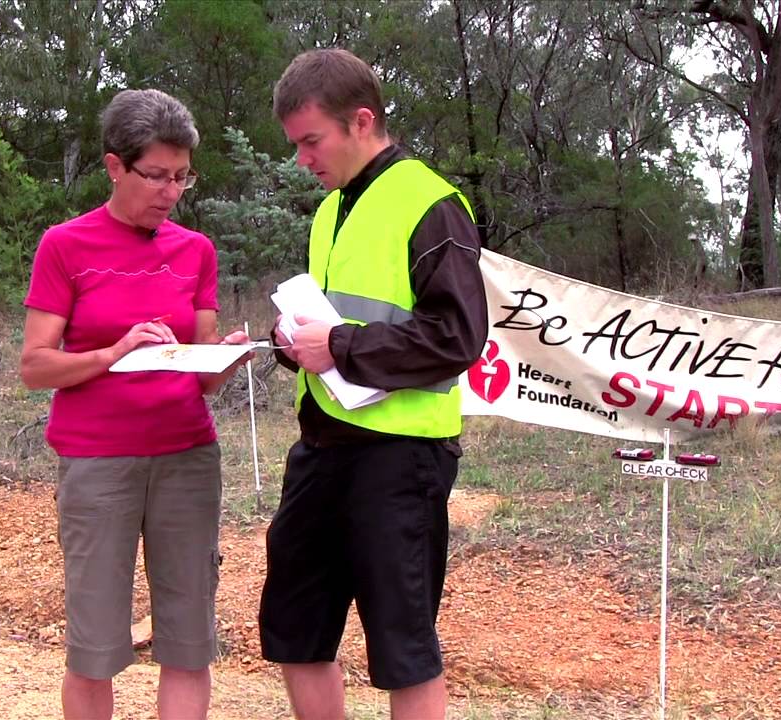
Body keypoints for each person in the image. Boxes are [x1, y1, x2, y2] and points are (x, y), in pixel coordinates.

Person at [258, 49, 488, 720]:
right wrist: (294, 341)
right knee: (295, 627)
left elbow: (457, 339)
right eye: (295, 144)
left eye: (311, 140)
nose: (303, 158)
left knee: (402, 645)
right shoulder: (331, 209)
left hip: (401, 458)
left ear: (362, 121)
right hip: (322, 448)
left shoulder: (431, 203)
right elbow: (338, 321)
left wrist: (339, 346)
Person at [19, 88, 248, 720]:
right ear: (115, 166)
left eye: (182, 177)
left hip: (187, 457)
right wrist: (110, 354)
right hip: (97, 463)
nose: (170, 191)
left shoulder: (195, 251)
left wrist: (227, 356)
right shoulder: (65, 245)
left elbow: (202, 375)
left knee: (188, 641)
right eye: (156, 176)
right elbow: (35, 365)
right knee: (95, 643)